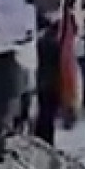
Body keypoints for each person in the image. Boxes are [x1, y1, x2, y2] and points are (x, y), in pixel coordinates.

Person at [34, 8, 65, 146]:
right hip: (51, 82)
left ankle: (42, 138)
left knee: (44, 112)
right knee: (48, 114)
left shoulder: (41, 41)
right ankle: (46, 140)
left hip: (42, 81)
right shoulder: (52, 43)